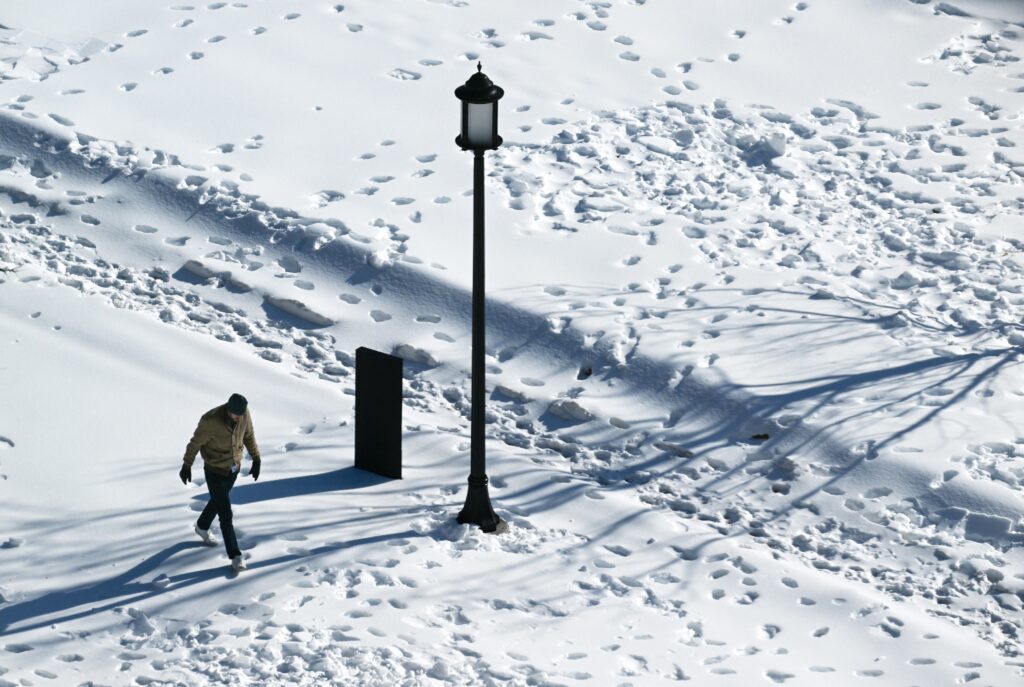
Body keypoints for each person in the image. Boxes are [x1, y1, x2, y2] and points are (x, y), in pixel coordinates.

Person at [180, 393, 261, 572]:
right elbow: (194, 444)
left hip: (233, 468)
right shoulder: (210, 420)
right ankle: (235, 555)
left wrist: (256, 458)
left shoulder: (244, 413)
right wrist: (187, 465)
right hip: (214, 471)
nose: (239, 418)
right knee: (226, 513)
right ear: (228, 409)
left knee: (218, 502)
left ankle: (202, 526)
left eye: (241, 414)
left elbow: (248, 435)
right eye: (235, 415)